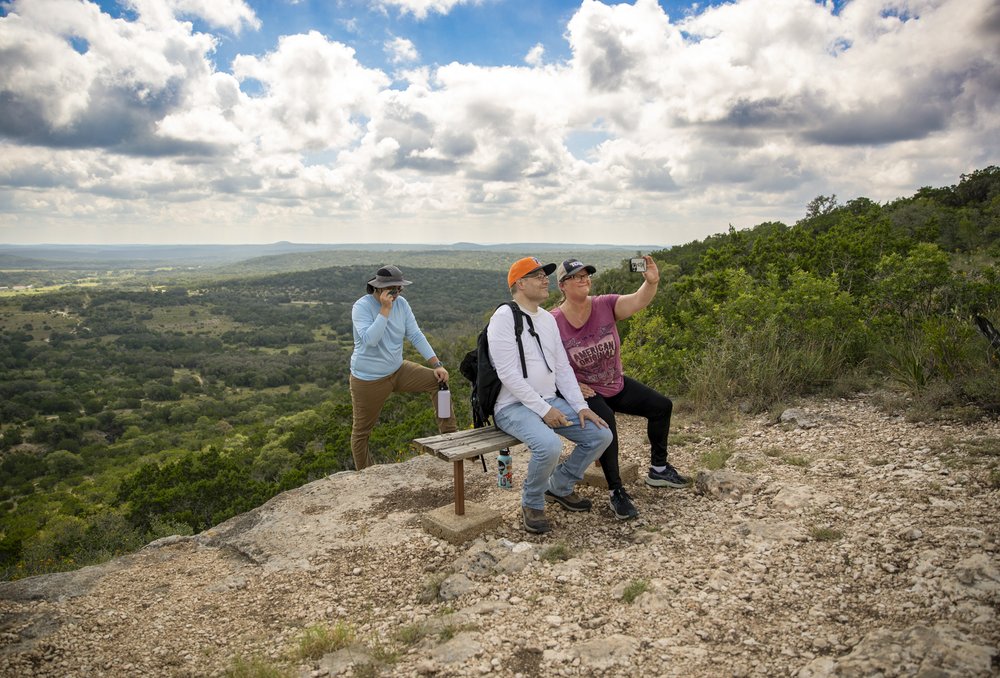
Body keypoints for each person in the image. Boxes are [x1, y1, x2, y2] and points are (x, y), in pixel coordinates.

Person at [550, 256, 690, 521]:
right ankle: (616, 491)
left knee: (661, 406)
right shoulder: (553, 321)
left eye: (586, 275)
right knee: (607, 425)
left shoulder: (605, 305)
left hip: (616, 383)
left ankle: (659, 469)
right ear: (562, 285)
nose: (584, 280)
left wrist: (652, 282)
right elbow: (545, 365)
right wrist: (572, 384)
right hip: (587, 392)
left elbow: (638, 300)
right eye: (576, 277)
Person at [488, 256, 613, 534]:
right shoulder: (504, 317)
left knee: (600, 435)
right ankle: (532, 501)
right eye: (537, 276)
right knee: (549, 446)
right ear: (520, 283)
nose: (545, 280)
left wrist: (580, 406)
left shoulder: (546, 319)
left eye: (545, 275)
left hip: (549, 400)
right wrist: (545, 411)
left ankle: (559, 486)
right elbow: (507, 374)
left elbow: (561, 367)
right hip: (513, 406)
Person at [349, 265, 457, 470]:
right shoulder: (361, 307)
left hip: (398, 370)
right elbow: (370, 340)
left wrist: (437, 364)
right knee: (361, 431)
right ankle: (365, 474)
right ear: (379, 289)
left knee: (439, 382)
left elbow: (415, 334)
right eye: (393, 289)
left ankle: (451, 439)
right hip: (368, 379)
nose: (397, 293)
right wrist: (384, 310)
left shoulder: (402, 304)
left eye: (399, 289)